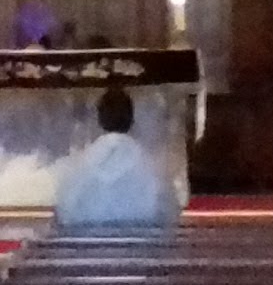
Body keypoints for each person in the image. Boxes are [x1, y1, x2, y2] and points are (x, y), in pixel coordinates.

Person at [52, 84, 179, 233]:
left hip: (87, 245)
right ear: (132, 120)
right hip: (140, 245)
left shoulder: (76, 168)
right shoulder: (154, 170)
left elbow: (64, 214)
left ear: (99, 120)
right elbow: (169, 216)